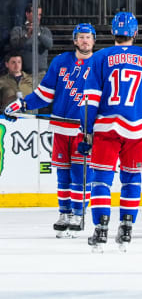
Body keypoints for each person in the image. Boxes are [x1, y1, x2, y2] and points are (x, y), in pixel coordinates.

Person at [80, 12, 142, 251]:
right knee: (132, 179)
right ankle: (127, 228)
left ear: (112, 33)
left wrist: (86, 129)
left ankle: (101, 229)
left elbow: (90, 98)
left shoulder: (99, 57)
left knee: (100, 181)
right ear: (135, 33)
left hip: (106, 128)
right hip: (137, 129)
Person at [2, 24, 95, 236]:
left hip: (84, 131)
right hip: (61, 128)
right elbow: (45, 93)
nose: (84, 41)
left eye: (88, 37)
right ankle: (64, 213)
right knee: (63, 174)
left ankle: (78, 215)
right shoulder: (61, 62)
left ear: (93, 40)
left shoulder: (99, 64)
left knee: (80, 174)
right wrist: (23, 104)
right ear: (75, 40)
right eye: (81, 37)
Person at [9, 4, 52, 75]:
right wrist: (27, 36)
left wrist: (38, 34)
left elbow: (49, 45)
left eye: (39, 15)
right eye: (35, 14)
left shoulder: (44, 30)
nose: (38, 17)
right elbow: (14, 45)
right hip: (23, 74)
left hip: (41, 74)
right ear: (27, 14)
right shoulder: (18, 30)